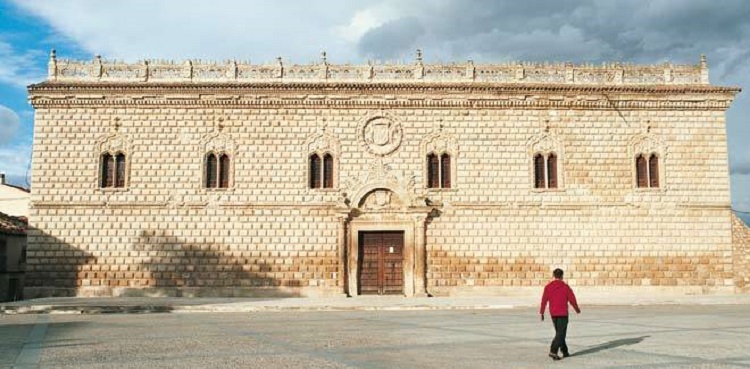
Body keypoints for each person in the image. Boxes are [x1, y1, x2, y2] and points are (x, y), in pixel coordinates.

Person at [540, 268, 581, 361]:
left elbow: (544, 300)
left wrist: (542, 312)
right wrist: (577, 309)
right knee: (561, 334)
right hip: (563, 313)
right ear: (562, 276)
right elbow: (572, 299)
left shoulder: (548, 287)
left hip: (553, 313)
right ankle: (553, 351)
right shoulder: (565, 287)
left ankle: (565, 351)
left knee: (560, 333)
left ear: (553, 276)